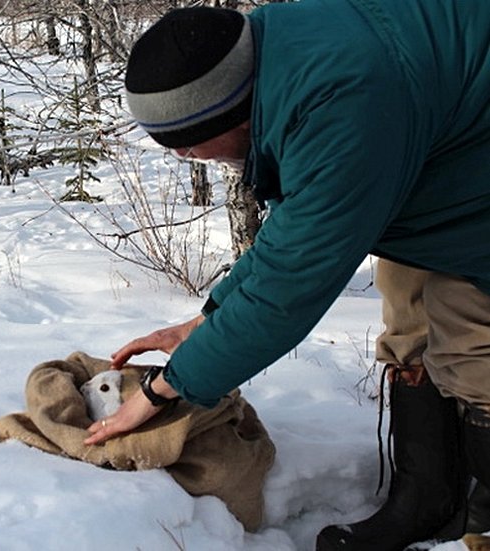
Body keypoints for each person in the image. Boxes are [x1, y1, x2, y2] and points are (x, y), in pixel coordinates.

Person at [82, 2, 490, 549]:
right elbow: (298, 229)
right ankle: (428, 499)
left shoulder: (344, 102)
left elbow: (289, 289)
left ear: (233, 115)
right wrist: (210, 317)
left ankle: (483, 520)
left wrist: (163, 389)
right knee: (410, 315)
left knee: (471, 341)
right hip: (440, 146)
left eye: (186, 142)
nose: (184, 155)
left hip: (472, 165)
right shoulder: (267, 59)